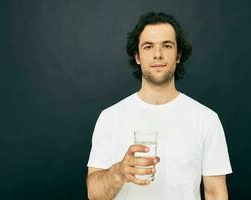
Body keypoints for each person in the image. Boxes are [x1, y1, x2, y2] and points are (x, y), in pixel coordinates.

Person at [86, 12, 232, 200]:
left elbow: (215, 193)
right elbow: (94, 194)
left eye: (167, 45)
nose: (158, 54)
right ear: (137, 57)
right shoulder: (110, 118)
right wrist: (120, 172)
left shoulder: (206, 119)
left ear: (178, 55)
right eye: (148, 47)